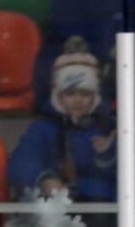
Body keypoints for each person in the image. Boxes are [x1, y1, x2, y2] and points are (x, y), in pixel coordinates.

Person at [8, 37, 117, 204]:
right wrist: (45, 180)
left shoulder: (107, 127)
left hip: (97, 208)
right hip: (53, 206)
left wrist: (106, 155)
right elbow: (20, 163)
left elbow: (126, 173)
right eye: (70, 94)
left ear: (95, 96)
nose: (77, 100)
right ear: (58, 96)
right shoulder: (44, 128)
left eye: (85, 94)